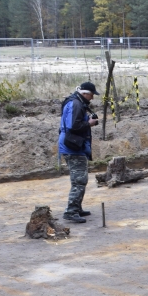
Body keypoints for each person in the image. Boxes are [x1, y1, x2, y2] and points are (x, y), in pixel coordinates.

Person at [59, 81, 100, 223]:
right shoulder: (76, 104)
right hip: (73, 147)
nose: (92, 98)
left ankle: (77, 208)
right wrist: (89, 123)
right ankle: (71, 211)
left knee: (79, 179)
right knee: (79, 180)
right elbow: (73, 126)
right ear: (85, 93)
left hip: (73, 145)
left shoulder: (74, 101)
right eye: (92, 95)